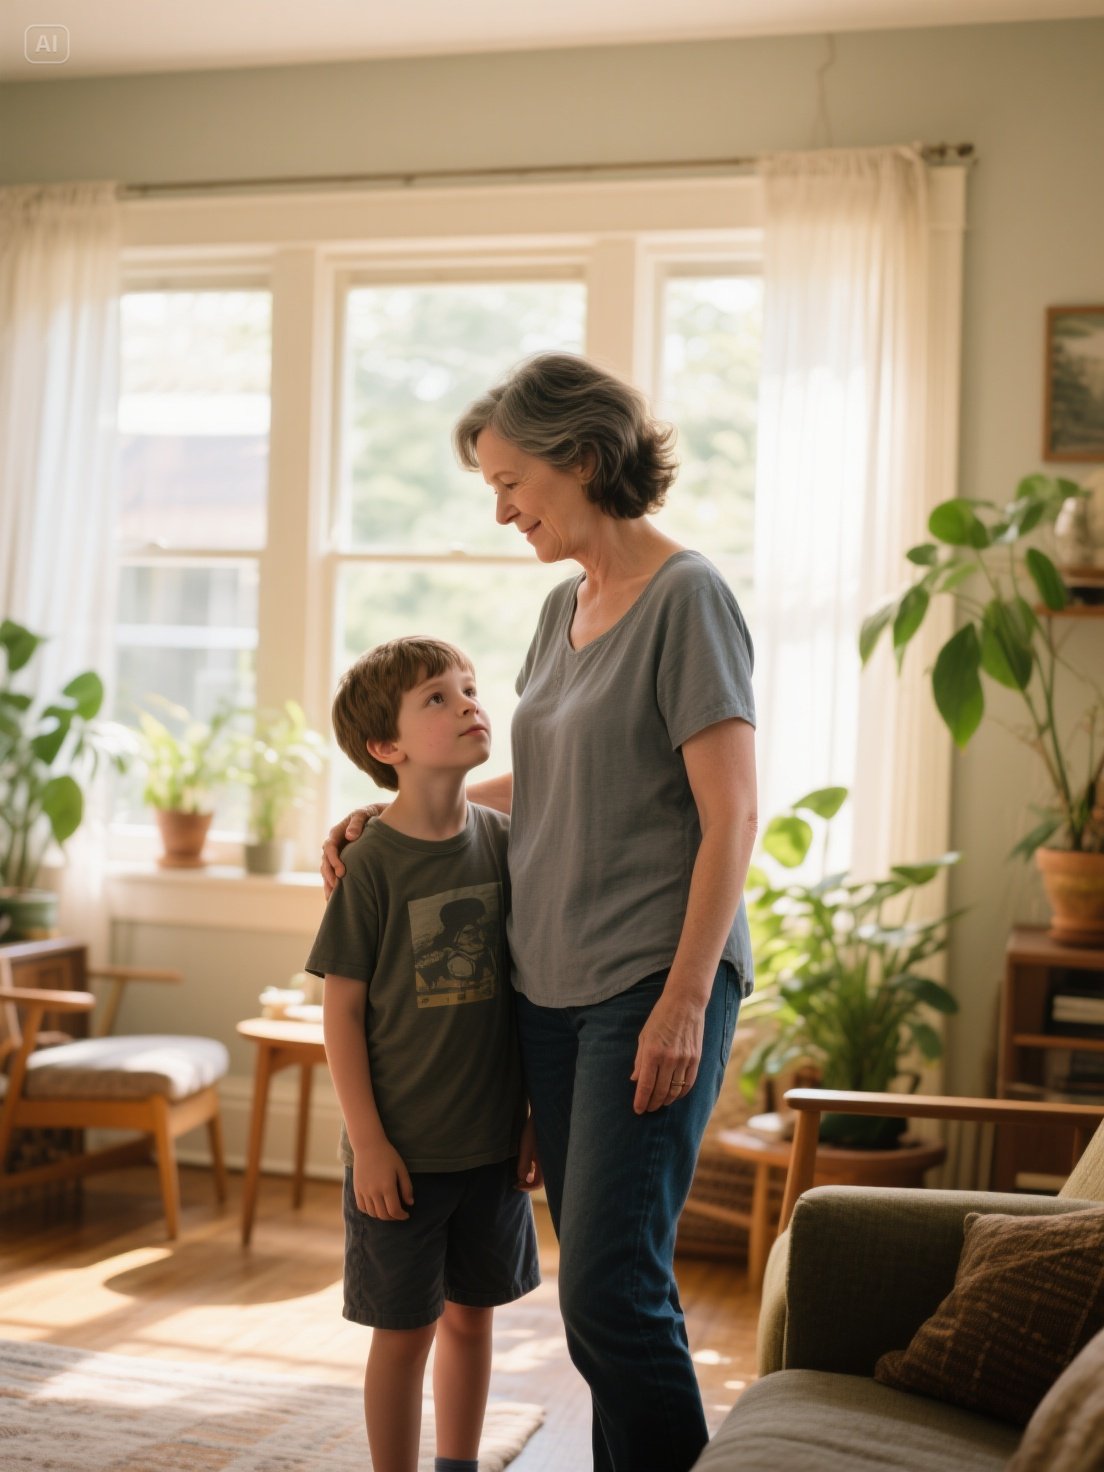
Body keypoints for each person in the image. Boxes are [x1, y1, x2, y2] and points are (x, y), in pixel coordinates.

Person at [323, 354, 758, 1472]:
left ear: (583, 458)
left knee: (610, 1286)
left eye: (513, 482)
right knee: (598, 1290)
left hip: (645, 983)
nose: (504, 508)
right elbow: (554, 778)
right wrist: (399, 813)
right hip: (549, 991)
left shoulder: (687, 596)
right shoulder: (564, 604)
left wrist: (682, 1000)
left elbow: (733, 814)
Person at [306, 635, 541, 1472]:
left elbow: (525, 998)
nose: (469, 702)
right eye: (435, 697)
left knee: (475, 1320)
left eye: (469, 686)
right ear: (387, 748)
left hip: (488, 1148)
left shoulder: (508, 844)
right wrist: (367, 1142)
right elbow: (340, 1012)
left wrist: (529, 1121)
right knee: (402, 1336)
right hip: (398, 1156)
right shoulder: (369, 864)